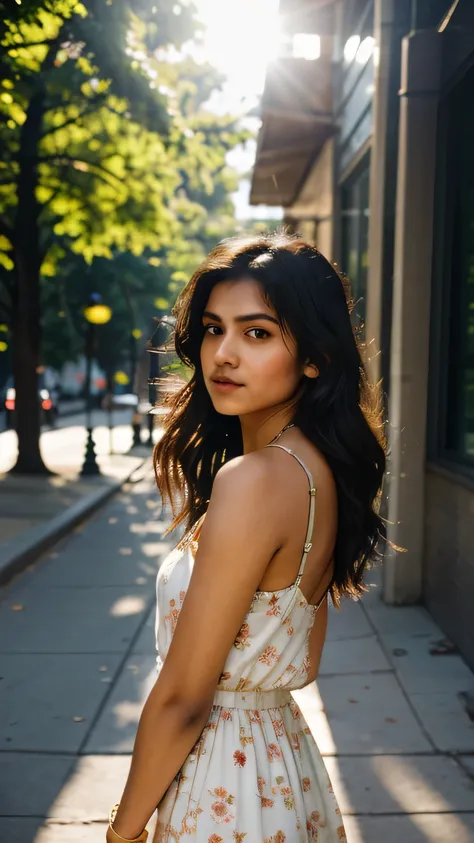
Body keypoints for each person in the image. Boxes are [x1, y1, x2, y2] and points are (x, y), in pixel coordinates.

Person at [106, 232, 386, 843]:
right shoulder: (319, 470)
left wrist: (120, 833)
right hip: (283, 768)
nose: (222, 354)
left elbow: (182, 697)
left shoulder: (255, 480)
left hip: (219, 789)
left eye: (256, 332)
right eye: (213, 328)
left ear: (314, 356)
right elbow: (302, 661)